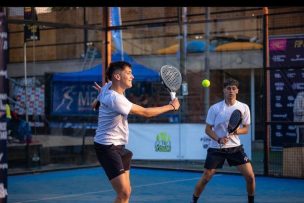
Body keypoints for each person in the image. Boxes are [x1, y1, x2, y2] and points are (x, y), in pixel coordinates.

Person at [92, 61, 180, 203]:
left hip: (119, 146)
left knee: (126, 193)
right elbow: (145, 112)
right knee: (124, 192)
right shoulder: (115, 98)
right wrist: (171, 107)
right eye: (128, 73)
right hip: (107, 147)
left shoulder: (108, 87)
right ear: (117, 76)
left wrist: (99, 97)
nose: (132, 76)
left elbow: (97, 100)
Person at [190, 78, 255, 203]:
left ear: (237, 91)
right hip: (216, 148)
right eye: (228, 88)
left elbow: (246, 129)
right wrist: (219, 139)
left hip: (235, 148)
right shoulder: (215, 108)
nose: (231, 91)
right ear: (224, 91)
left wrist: (235, 131)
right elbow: (208, 129)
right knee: (206, 177)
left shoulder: (244, 107)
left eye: (233, 88)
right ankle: (194, 200)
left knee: (250, 177)